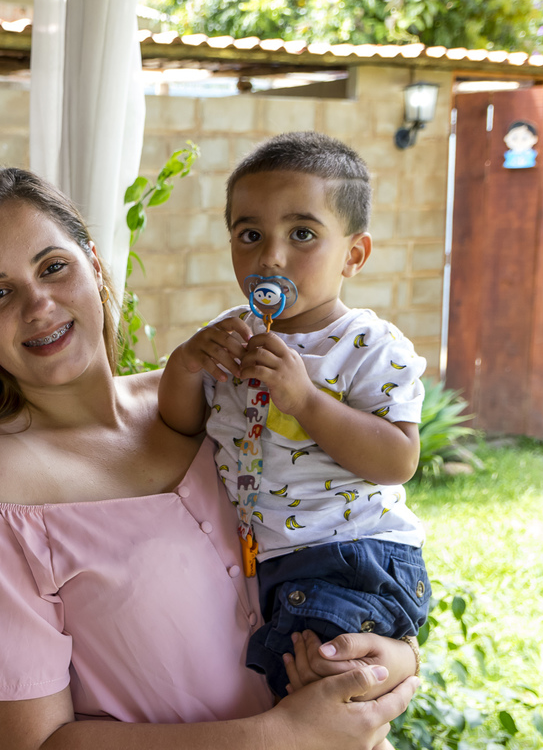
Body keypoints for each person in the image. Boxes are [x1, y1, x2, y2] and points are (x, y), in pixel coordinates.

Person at [0, 167, 420, 750]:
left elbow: (351, 532)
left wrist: (389, 654)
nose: (38, 304)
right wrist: (280, 737)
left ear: (95, 265)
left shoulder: (215, 395)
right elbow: (30, 745)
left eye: (54, 267)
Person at [158, 132, 431, 702]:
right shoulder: (233, 335)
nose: (270, 257)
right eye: (250, 235)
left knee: (325, 691)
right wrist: (186, 366)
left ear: (354, 255)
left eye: (302, 234)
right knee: (290, 692)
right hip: (269, 562)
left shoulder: (369, 346)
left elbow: (397, 460)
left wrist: (306, 401)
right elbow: (179, 427)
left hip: (353, 557)